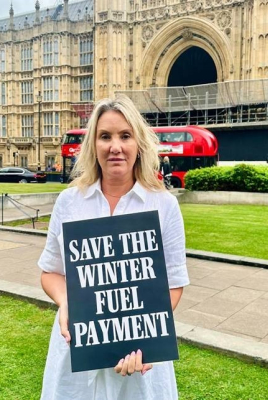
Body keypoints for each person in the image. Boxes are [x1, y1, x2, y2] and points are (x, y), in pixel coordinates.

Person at [38, 95, 189, 400]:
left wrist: (141, 333)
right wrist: (67, 302)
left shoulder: (165, 205)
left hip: (139, 355)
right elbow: (50, 272)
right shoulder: (69, 202)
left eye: (125, 136)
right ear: (93, 145)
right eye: (105, 136)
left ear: (139, 144)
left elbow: (173, 284)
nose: (115, 147)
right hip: (76, 349)